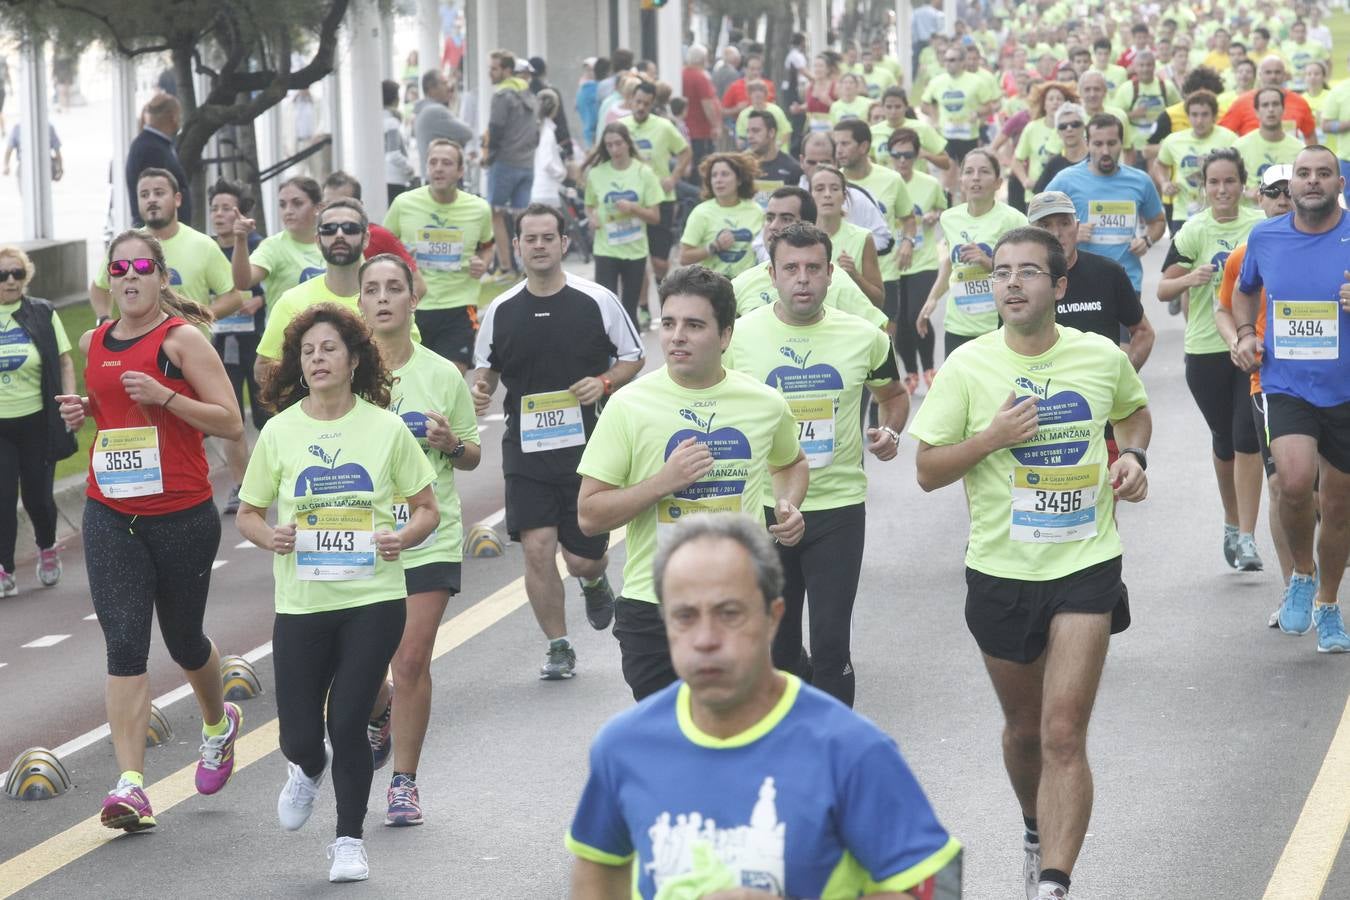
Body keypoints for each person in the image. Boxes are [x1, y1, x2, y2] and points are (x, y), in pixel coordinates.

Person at [911, 225, 1151, 900]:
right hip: (1001, 570)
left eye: (1027, 272)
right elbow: (927, 470)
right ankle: (1030, 823)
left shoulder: (1100, 357)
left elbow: (1134, 415)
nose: (1011, 283)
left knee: (1063, 731)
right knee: (1023, 734)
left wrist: (1132, 458)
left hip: (1086, 561)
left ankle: (1053, 882)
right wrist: (993, 437)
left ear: (1059, 286)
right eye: (1001, 273)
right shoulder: (968, 367)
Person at [565, 513, 962, 898]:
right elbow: (598, 872)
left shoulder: (851, 750)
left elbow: (938, 884)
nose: (705, 638)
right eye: (685, 616)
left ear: (773, 618)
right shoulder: (623, 748)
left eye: (729, 613)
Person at [236, 303, 438, 882]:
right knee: (300, 734)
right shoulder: (280, 430)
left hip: (372, 597)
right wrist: (269, 535)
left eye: (329, 349)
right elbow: (248, 513)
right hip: (301, 602)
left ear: (354, 359)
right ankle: (307, 766)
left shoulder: (385, 427)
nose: (318, 359)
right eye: (308, 351)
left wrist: (401, 536)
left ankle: (349, 839)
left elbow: (426, 508)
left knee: (347, 719)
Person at [57, 231, 245, 833]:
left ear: (162, 277)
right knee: (125, 642)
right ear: (108, 281)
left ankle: (217, 725)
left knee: (185, 639)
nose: (131, 276)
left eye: (142, 267)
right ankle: (131, 785)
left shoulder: (182, 340)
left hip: (182, 512)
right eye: (120, 268)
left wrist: (167, 396)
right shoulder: (92, 340)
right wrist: (83, 410)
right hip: (110, 511)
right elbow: (109, 405)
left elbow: (231, 420)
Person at [576, 265, 808, 701]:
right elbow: (589, 516)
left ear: (725, 335)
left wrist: (789, 506)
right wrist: (663, 482)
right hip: (655, 605)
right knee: (670, 752)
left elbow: (791, 463)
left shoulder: (763, 403)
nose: (677, 336)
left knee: (734, 743)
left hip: (738, 600)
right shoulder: (628, 406)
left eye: (694, 325)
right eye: (668, 323)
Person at [723, 223, 907, 707]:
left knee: (831, 645)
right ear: (772, 274)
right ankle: (798, 712)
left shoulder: (864, 337)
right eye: (790, 269)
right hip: (765, 509)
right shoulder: (739, 338)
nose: (801, 279)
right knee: (779, 650)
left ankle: (833, 756)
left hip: (838, 509)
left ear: (830, 275)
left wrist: (889, 432)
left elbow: (894, 395)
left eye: (812, 269)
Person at [472, 204, 643, 680]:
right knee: (537, 547)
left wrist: (604, 383)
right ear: (519, 246)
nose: (540, 245)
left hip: (588, 449)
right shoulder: (501, 310)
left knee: (582, 558)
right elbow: (485, 370)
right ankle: (558, 645)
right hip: (525, 449)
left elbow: (634, 357)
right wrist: (481, 389)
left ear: (564, 244)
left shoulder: (597, 299)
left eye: (549, 237)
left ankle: (594, 582)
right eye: (531, 238)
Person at [355, 253, 480, 826]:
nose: (383, 298)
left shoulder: (441, 374)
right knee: (357, 667)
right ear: (360, 303)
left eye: (394, 288)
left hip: (429, 532)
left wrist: (451, 441)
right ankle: (380, 711)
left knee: (410, 660)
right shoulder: (345, 376)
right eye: (372, 289)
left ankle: (404, 782)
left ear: (412, 299)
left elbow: (472, 455)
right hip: (359, 538)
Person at [1231, 145, 1350, 654]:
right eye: (1304, 174)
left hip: (1345, 391)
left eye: (1324, 173)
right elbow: (1243, 290)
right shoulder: (1265, 236)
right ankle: (1302, 573)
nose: (1313, 181)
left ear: (1338, 184)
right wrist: (1243, 333)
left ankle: (1327, 604)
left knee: (1340, 507)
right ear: (1291, 184)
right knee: (1295, 482)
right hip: (1286, 383)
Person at [1158, 148, 1266, 571]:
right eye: (1214, 182)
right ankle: (1230, 520)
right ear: (1203, 187)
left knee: (1247, 437)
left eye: (1230, 181)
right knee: (1224, 441)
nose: (1222, 190)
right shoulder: (1193, 231)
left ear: (1242, 185)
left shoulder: (1259, 227)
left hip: (1251, 346)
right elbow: (1164, 289)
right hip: (1204, 349)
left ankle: (1248, 537)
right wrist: (1190, 277)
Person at [1214, 164, 1306, 595]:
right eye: (1274, 192)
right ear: (1260, 198)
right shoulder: (1246, 251)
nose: (1283, 200)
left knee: (1325, 494)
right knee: (1281, 484)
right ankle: (1296, 587)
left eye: (1291, 191)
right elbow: (1224, 305)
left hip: (1329, 380)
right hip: (1269, 381)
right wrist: (1238, 339)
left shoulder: (1331, 244)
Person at [0, 246, 76, 597]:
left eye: (17, 273)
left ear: (26, 277)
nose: (10, 281)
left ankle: (47, 547)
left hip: (36, 422)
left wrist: (69, 402)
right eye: (3, 275)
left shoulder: (43, 313)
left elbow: (64, 361)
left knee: (37, 498)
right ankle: (5, 569)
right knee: (2, 499)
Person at [384, 139, 494, 371]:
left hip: (460, 305)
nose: (438, 168)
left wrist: (482, 264)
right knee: (412, 377)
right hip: (413, 306)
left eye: (446, 163)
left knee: (451, 379)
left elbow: (488, 245)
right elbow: (384, 246)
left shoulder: (479, 208)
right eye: (433, 162)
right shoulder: (404, 204)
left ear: (460, 170)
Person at [918, 149, 1029, 358]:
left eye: (984, 171)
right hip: (957, 325)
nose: (976, 177)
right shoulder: (950, 218)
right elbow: (951, 264)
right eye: (969, 171)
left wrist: (987, 262)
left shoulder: (1015, 220)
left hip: (997, 326)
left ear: (998, 182)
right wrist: (932, 299)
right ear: (961, 181)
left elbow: (1026, 271)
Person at [1027, 191, 1154, 372]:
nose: (1056, 233)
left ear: (1077, 227)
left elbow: (1143, 332)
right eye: (1045, 225)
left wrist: (1122, 381)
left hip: (1100, 393)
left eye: (1064, 223)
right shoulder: (1020, 282)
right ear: (1029, 233)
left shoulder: (1109, 272)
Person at [1045, 114, 1166, 302]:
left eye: (1112, 143)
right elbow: (1036, 225)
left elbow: (1157, 220)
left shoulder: (1140, 181)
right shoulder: (1065, 180)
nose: (1105, 150)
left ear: (1121, 143)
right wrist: (1069, 233)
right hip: (1078, 280)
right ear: (1087, 143)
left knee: (1128, 332)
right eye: (1098, 144)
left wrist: (1147, 240)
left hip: (1126, 279)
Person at [254, 199, 376, 384]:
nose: (339, 235)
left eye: (350, 228)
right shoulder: (292, 301)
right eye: (329, 229)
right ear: (318, 240)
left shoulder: (386, 300)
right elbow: (263, 370)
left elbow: (408, 362)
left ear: (365, 238)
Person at [730, 186, 887, 329]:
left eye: (786, 219)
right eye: (770, 218)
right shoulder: (742, 283)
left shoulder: (839, 283)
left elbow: (879, 333)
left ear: (808, 226)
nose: (773, 227)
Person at [206, 179, 269, 513]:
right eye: (214, 209)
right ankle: (241, 486)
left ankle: (273, 476)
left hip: (257, 344)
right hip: (221, 343)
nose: (219, 215)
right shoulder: (205, 249)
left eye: (227, 208)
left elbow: (268, 288)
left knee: (265, 416)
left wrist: (258, 301)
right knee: (229, 416)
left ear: (241, 213)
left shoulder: (257, 245)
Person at [834, 120, 917, 328]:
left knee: (887, 345)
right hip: (843, 276)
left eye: (845, 144)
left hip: (884, 273)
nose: (839, 150)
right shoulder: (831, 183)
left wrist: (908, 241)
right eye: (837, 144)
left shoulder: (892, 179)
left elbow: (908, 218)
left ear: (863, 147)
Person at [583, 123, 663, 328]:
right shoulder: (597, 173)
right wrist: (592, 218)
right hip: (605, 248)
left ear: (628, 143)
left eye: (618, 143)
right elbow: (589, 206)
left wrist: (634, 208)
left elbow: (655, 217)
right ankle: (606, 355)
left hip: (634, 250)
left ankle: (633, 355)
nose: (614, 150)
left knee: (628, 309)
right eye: (609, 145)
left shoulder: (644, 173)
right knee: (606, 306)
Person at [889, 128, 948, 391]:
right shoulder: (886, 184)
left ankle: (928, 368)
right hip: (892, 262)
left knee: (918, 313)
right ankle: (910, 372)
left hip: (923, 260)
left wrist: (935, 214)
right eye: (897, 155)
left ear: (916, 155)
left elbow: (943, 208)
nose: (902, 160)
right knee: (900, 321)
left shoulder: (929, 183)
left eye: (908, 155)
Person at [618, 81, 691, 284]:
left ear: (652, 105)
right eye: (638, 102)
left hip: (661, 198)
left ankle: (662, 290)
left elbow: (685, 152)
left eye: (646, 104)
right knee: (636, 258)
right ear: (631, 100)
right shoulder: (621, 127)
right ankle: (641, 307)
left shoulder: (664, 126)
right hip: (631, 198)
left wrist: (674, 177)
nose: (641, 107)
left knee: (659, 261)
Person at [484, 49, 541, 281]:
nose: (490, 73)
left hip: (505, 162)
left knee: (495, 214)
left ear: (508, 71)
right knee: (521, 218)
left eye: (494, 69)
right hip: (527, 163)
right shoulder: (530, 95)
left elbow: (495, 129)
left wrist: (489, 154)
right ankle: (525, 266)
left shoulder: (502, 96)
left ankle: (507, 267)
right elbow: (535, 133)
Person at [319, 172, 426, 295]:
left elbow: (418, 284)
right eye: (328, 205)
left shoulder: (379, 236)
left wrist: (391, 311)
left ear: (359, 206)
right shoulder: (311, 237)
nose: (335, 212)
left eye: (343, 204)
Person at [231, 175, 326, 312]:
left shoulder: (334, 242)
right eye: (282, 205)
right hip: (283, 333)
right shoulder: (273, 246)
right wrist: (240, 240)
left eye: (297, 203)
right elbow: (242, 282)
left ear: (318, 207)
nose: (288, 211)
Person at [1152, 90, 1238, 230]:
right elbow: (1160, 164)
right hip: (1183, 213)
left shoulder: (1230, 139)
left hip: (1219, 214)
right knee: (1178, 252)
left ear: (1214, 116)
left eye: (1205, 115)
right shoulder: (1173, 140)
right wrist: (1164, 183)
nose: (1199, 120)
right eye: (1194, 115)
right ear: (1188, 116)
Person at [922, 44, 1000, 196]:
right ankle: (947, 208)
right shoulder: (937, 82)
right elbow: (925, 104)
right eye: (946, 60)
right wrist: (935, 117)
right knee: (948, 174)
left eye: (952, 60)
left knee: (968, 177)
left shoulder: (977, 81)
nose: (948, 63)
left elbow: (990, 106)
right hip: (946, 135)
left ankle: (967, 208)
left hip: (969, 136)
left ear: (963, 62)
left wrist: (977, 113)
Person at [678, 152, 765, 280]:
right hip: (713, 284)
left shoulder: (756, 210)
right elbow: (684, 257)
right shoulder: (701, 212)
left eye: (725, 174)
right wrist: (715, 246)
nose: (718, 180)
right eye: (714, 175)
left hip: (747, 284)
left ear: (739, 180)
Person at [809, 165, 883, 306]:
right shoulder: (799, 239)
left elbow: (878, 301)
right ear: (810, 195)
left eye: (834, 188)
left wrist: (855, 275)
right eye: (819, 189)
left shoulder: (863, 237)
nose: (827, 194)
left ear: (844, 197)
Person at [126, 93, 191, 226]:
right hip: (160, 234)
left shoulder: (156, 144)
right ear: (173, 117)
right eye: (180, 116)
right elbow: (155, 197)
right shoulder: (151, 149)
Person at [1234, 88, 1308, 203]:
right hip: (1251, 216)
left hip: (1287, 216)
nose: (1271, 109)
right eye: (1265, 105)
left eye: (1275, 104)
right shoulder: (1239, 147)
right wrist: (1245, 192)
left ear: (1283, 110)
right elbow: (1229, 183)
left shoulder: (1300, 150)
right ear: (1256, 111)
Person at [1219, 57, 1317, 141]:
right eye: (1268, 72)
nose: (1273, 76)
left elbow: (1310, 135)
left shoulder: (1299, 102)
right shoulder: (1242, 102)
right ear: (1260, 75)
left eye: (1277, 72)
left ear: (1284, 75)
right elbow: (1222, 133)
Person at [1012, 82, 1077, 200]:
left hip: (1066, 194)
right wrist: (1025, 181)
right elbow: (1017, 160)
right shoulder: (1031, 128)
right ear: (1044, 104)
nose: (1055, 102)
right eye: (1050, 99)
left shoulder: (1074, 127)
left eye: (1059, 99)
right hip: (1036, 195)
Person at [871, 86, 951, 175]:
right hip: (887, 185)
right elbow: (870, 164)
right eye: (889, 107)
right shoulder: (873, 132)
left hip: (916, 185)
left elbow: (946, 163)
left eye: (898, 107)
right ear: (882, 108)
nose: (893, 111)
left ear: (906, 107)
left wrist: (927, 155)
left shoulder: (922, 128)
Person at [413, 69, 474, 175]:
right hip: (444, 179)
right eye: (444, 83)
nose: (448, 87)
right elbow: (468, 133)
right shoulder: (435, 111)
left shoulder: (423, 110)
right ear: (432, 89)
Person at [743, 107, 801, 206]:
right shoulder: (742, 166)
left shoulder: (792, 168)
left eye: (755, 131)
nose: (750, 136)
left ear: (771, 133)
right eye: (748, 131)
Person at [1034, 104, 1090, 194]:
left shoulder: (1095, 159)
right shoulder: (1053, 164)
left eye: (1075, 124)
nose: (1069, 129)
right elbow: (1039, 198)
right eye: (1063, 126)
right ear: (1058, 132)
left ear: (1084, 127)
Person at [682, 45, 721, 169]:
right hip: (700, 131)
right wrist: (715, 125)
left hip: (687, 129)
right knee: (703, 166)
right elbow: (707, 105)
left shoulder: (682, 74)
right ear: (702, 59)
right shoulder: (700, 77)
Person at [382, 79, 414, 206]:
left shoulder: (374, 119)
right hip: (395, 179)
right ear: (395, 99)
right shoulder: (392, 122)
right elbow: (393, 154)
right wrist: (409, 168)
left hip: (381, 178)